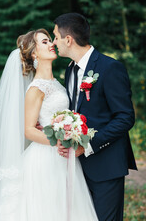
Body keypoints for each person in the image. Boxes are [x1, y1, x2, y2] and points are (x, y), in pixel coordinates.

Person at [0, 28, 98, 221]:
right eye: (44, 42)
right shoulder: (36, 88)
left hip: (62, 156)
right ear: (34, 53)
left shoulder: (56, 82)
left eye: (50, 40)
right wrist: (59, 140)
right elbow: (28, 130)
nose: (52, 44)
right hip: (46, 159)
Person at [53, 13, 137, 221]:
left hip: (106, 166)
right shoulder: (70, 70)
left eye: (56, 37)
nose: (54, 42)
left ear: (69, 39)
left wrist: (88, 145)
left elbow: (125, 117)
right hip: (78, 168)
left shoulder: (110, 68)